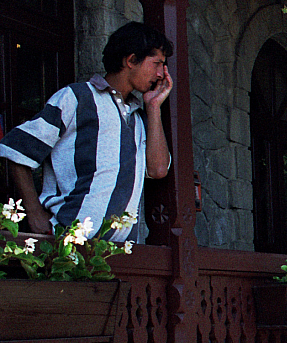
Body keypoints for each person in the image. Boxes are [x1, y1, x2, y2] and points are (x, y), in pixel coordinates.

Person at [0, 21, 173, 241]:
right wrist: (33, 212)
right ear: (130, 60)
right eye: (157, 63)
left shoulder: (138, 116)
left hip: (118, 255)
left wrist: (154, 107)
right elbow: (18, 149)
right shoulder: (77, 98)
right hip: (65, 246)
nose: (161, 74)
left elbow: (158, 170)